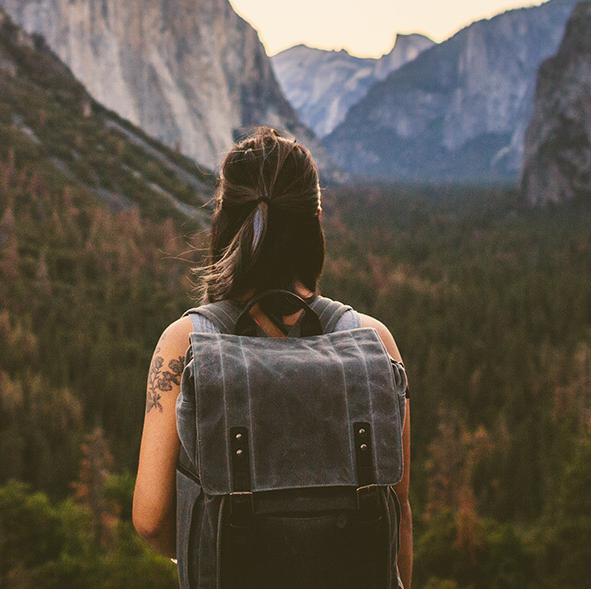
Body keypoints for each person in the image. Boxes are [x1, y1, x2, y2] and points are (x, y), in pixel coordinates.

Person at [132, 127, 413, 587]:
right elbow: (397, 507)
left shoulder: (186, 342)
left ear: (224, 220)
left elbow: (150, 519)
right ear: (314, 221)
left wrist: (208, 546)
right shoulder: (373, 340)